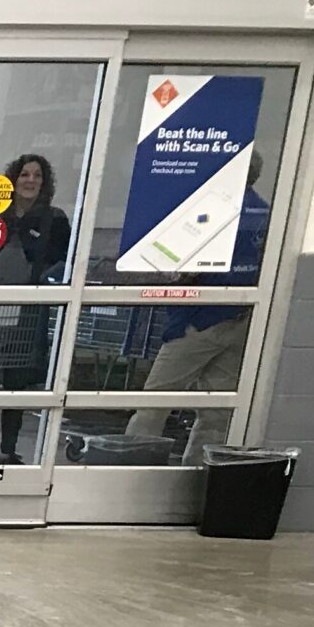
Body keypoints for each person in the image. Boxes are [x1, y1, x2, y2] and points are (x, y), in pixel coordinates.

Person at [125, 157, 272, 443]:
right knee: (216, 414)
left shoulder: (209, 209)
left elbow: (179, 266)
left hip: (197, 321)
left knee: (154, 404)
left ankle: (132, 460)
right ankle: (201, 466)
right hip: (240, 318)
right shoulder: (264, 212)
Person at [0, 153, 71, 461]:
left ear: (44, 183)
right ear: (13, 179)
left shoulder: (54, 220)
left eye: (37, 175)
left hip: (27, 310)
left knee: (16, 380)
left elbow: (62, 261)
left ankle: (8, 450)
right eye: (24, 174)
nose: (30, 180)